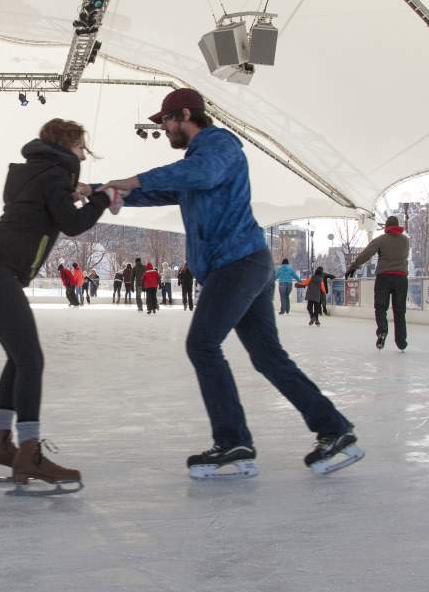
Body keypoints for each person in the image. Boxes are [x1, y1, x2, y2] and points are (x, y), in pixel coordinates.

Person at [99, 88, 362, 477]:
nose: (165, 129)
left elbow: (197, 174)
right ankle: (334, 430)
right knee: (269, 358)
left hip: (237, 262)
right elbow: (165, 188)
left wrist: (132, 180)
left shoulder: (219, 146)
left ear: (185, 115)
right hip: (240, 264)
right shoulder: (196, 162)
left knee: (202, 344)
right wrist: (103, 191)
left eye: (167, 121)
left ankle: (233, 442)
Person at [0, 118, 121, 488]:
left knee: (20, 358)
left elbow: (47, 207)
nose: (83, 154)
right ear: (66, 146)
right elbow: (74, 223)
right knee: (31, 359)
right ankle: (28, 452)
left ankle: (0, 443)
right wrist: (101, 197)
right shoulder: (52, 177)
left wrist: (72, 191)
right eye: (81, 148)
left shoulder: (38, 174)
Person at [346, 215, 409, 350]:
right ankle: (401, 342)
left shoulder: (380, 240)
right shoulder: (406, 240)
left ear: (386, 227)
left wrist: (353, 267)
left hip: (384, 278)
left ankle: (382, 332)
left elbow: (366, 254)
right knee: (400, 311)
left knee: (380, 308)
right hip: (401, 279)